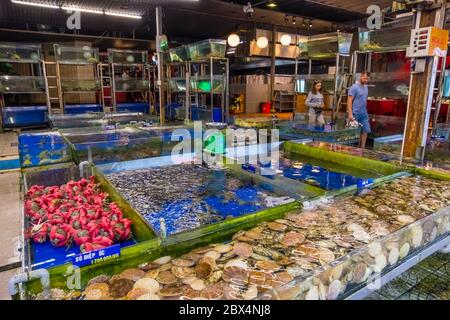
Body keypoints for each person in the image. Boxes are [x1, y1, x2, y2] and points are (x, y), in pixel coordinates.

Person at [348, 71, 370, 148]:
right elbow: (349, 101)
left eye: (367, 79)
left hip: (364, 114)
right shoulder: (354, 87)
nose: (366, 80)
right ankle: (351, 149)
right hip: (355, 114)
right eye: (364, 78)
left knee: (366, 130)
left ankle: (362, 148)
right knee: (353, 133)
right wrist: (350, 114)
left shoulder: (366, 87)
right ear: (360, 76)